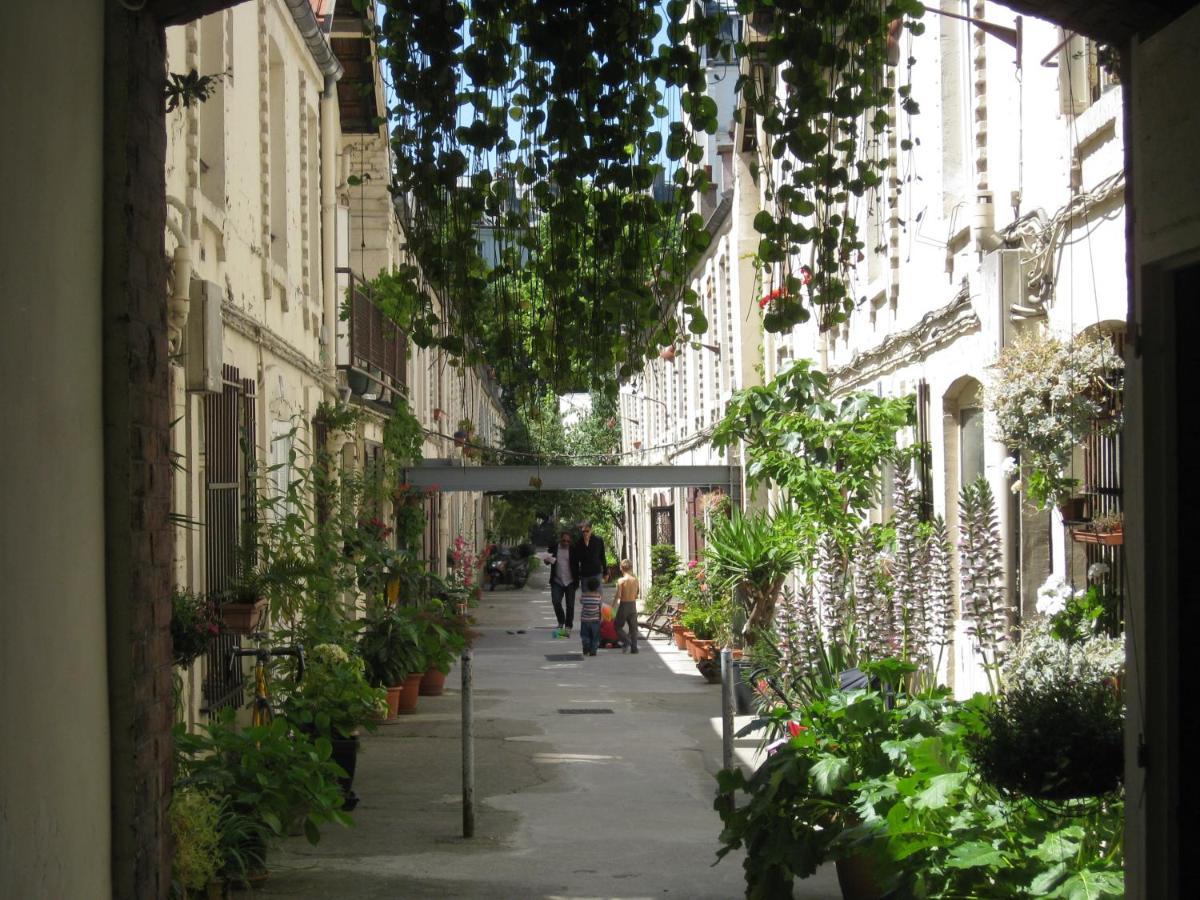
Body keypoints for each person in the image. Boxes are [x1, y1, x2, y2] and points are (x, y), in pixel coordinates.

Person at [545, 530, 578, 638]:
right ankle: (561, 621)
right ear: (560, 539)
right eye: (564, 540)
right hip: (557, 580)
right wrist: (546, 559)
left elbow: (578, 565)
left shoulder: (573, 550)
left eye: (568, 541)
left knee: (570, 605)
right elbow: (547, 561)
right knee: (556, 601)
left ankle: (568, 625)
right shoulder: (554, 548)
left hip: (570, 581)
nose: (566, 543)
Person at [573, 522, 608, 602]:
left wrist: (605, 572)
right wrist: (577, 576)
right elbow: (576, 561)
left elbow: (602, 556)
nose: (585, 533)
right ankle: (588, 613)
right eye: (583, 531)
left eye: (587, 531)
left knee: (598, 596)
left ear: (591, 530)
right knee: (586, 596)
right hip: (585, 574)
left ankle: (599, 613)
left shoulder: (598, 540)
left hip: (596, 573)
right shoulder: (578, 543)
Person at [613, 559, 640, 654]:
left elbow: (619, 595)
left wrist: (613, 606)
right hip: (633, 605)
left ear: (621, 568)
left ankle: (627, 641)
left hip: (624, 605)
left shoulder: (621, 580)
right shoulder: (635, 580)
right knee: (633, 628)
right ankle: (634, 648)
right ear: (631, 568)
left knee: (617, 626)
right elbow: (636, 595)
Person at [578, 577, 603, 657]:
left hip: (585, 620)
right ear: (597, 587)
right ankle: (593, 650)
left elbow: (581, 601)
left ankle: (586, 648)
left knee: (585, 635)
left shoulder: (584, 596)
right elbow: (600, 606)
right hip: (595, 620)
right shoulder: (598, 597)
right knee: (595, 636)